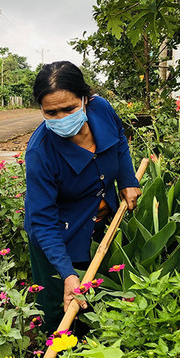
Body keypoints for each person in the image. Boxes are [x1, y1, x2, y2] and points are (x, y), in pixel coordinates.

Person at [24, 61, 141, 332]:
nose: (61, 119)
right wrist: (66, 273)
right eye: (51, 112)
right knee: (60, 306)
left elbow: (120, 139)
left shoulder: (102, 110)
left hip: (100, 223)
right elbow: (43, 221)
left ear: (85, 100)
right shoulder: (40, 152)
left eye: (69, 108)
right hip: (56, 238)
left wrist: (126, 179)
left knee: (101, 298)